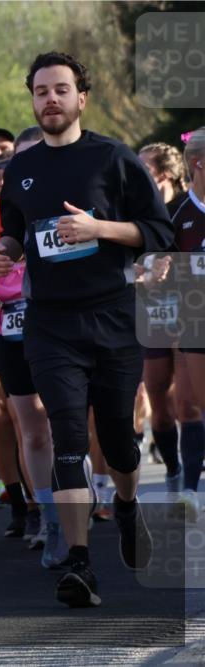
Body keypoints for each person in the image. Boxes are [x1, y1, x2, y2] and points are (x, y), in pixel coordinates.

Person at [0, 52, 173, 607]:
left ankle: (128, 505)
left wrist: (99, 228)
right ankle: (79, 563)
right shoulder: (21, 169)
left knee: (117, 440)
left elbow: (158, 230)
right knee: (66, 435)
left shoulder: (113, 158)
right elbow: (17, 232)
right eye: (41, 91)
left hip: (113, 317)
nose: (50, 99)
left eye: (61, 89)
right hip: (51, 324)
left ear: (81, 98)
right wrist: (3, 251)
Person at [0, 130, 69, 569]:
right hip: (13, 328)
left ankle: (80, 498)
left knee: (66, 424)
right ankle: (48, 516)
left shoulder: (68, 202)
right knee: (32, 428)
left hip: (62, 325)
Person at [135, 142, 200, 506]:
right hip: (152, 312)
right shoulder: (133, 212)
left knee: (188, 405)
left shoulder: (188, 208)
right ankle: (173, 469)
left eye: (144, 167)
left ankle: (189, 489)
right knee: (159, 402)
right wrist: (140, 272)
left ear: (166, 173)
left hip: (189, 312)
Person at [169, 128, 205, 517]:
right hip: (194, 322)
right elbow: (155, 268)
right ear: (198, 163)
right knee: (193, 405)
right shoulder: (178, 214)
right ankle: (190, 487)